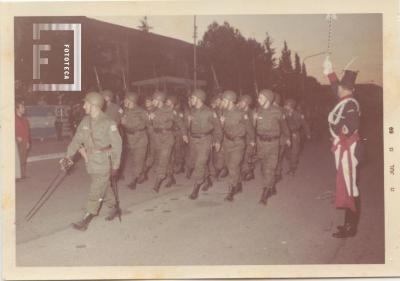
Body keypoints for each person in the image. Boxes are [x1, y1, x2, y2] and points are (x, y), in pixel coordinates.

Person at [62, 92, 122, 231]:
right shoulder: (85, 121)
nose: (83, 106)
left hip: (103, 162)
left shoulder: (108, 123)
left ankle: (86, 219)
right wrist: (68, 156)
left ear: (94, 105)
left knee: (95, 190)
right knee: (103, 186)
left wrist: (116, 165)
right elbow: (77, 140)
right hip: (90, 161)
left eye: (86, 103)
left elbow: (117, 145)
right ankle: (114, 208)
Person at [323, 56, 361, 238]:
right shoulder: (344, 101)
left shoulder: (351, 104)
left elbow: (350, 125)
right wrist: (329, 70)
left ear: (347, 90)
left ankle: (351, 228)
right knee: (347, 185)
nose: (337, 89)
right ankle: (348, 224)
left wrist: (339, 132)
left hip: (348, 149)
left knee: (350, 186)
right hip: (342, 148)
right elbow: (334, 86)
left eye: (340, 87)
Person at [183, 89, 222, 199]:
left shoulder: (210, 112)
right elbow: (186, 124)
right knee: (198, 163)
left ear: (199, 99)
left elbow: (218, 127)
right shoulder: (191, 111)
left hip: (205, 140)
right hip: (193, 140)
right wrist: (185, 134)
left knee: (200, 163)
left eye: (193, 98)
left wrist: (218, 141)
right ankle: (208, 180)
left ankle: (196, 186)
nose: (191, 100)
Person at [254, 89, 290, 205]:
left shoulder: (277, 112)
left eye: (261, 97)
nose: (258, 99)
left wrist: (288, 138)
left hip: (273, 144)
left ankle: (264, 194)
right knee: (263, 168)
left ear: (268, 99)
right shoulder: (257, 111)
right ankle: (271, 186)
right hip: (261, 143)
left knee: (270, 168)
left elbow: (284, 127)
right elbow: (254, 128)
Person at [220, 90, 255, 201]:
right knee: (229, 164)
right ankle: (238, 184)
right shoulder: (223, 112)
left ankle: (232, 189)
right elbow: (223, 128)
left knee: (233, 166)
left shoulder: (241, 114)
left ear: (230, 101)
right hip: (227, 142)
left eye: (224, 100)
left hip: (238, 143)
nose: (222, 102)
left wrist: (253, 141)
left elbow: (250, 128)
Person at [148, 91, 185, 193]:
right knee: (165, 160)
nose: (152, 101)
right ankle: (171, 178)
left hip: (167, 139)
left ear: (159, 100)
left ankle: (157, 183)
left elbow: (180, 122)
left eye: (154, 100)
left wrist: (184, 134)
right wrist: (150, 120)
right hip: (157, 138)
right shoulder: (153, 111)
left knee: (163, 160)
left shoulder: (170, 111)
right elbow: (151, 126)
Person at [121, 92, 149, 190]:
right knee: (137, 160)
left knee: (138, 160)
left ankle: (134, 180)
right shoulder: (126, 110)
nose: (124, 101)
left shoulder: (141, 111)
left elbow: (147, 123)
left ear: (132, 101)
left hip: (140, 139)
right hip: (131, 139)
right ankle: (143, 174)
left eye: (126, 100)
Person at [283, 98, 311, 176]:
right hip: (286, 135)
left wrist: (308, 133)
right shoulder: (284, 113)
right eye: (285, 105)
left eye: (287, 105)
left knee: (294, 152)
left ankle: (292, 168)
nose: (285, 107)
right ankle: (291, 163)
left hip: (295, 134)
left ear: (291, 106)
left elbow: (305, 124)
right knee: (287, 152)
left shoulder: (298, 114)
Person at [237, 94, 256, 182]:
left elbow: (253, 127)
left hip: (248, 137)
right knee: (242, 155)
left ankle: (246, 172)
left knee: (247, 156)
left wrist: (252, 140)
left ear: (247, 103)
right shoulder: (240, 111)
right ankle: (248, 172)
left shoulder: (251, 113)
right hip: (241, 137)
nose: (240, 103)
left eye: (242, 102)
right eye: (240, 101)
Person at [273, 93, 289, 183]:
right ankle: (276, 173)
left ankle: (277, 173)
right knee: (277, 156)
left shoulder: (280, 110)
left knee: (277, 156)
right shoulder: (282, 110)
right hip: (280, 138)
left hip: (279, 138)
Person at [15, 100, 30, 179]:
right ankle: (17, 175)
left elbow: (27, 131)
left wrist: (27, 141)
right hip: (16, 142)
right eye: (22, 107)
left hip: (24, 142)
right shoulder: (13, 119)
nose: (24, 109)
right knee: (17, 159)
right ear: (17, 109)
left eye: (24, 107)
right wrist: (16, 136)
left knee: (23, 158)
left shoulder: (25, 120)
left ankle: (22, 174)